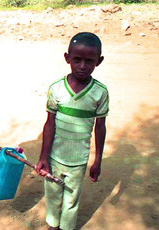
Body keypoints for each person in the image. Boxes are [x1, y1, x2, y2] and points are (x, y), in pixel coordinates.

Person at [36, 32, 109, 230]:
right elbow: (49, 123)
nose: (82, 66)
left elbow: (100, 126)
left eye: (89, 61)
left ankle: (66, 227)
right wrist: (44, 156)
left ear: (98, 61)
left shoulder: (100, 92)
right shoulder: (57, 89)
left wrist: (98, 160)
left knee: (71, 199)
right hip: (55, 157)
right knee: (52, 195)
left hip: (78, 160)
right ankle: (53, 226)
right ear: (67, 58)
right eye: (77, 60)